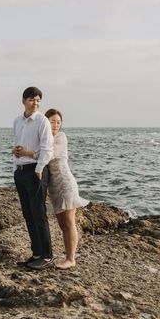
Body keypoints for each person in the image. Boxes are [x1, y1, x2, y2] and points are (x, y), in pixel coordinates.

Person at [12, 86, 54, 270]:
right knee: (28, 214)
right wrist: (15, 160)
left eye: (38, 100)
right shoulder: (17, 121)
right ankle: (36, 253)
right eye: (32, 99)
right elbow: (18, 144)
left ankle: (47, 256)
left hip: (36, 171)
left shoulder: (42, 121)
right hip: (20, 171)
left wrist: (39, 169)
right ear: (23, 100)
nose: (35, 103)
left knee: (39, 214)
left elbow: (47, 148)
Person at [45, 108, 89, 269]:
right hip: (54, 187)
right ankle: (68, 257)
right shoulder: (44, 138)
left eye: (58, 122)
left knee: (69, 223)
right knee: (63, 225)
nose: (56, 125)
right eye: (52, 121)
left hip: (65, 183)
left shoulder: (60, 137)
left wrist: (27, 152)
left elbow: (48, 155)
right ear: (45, 122)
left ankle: (71, 259)